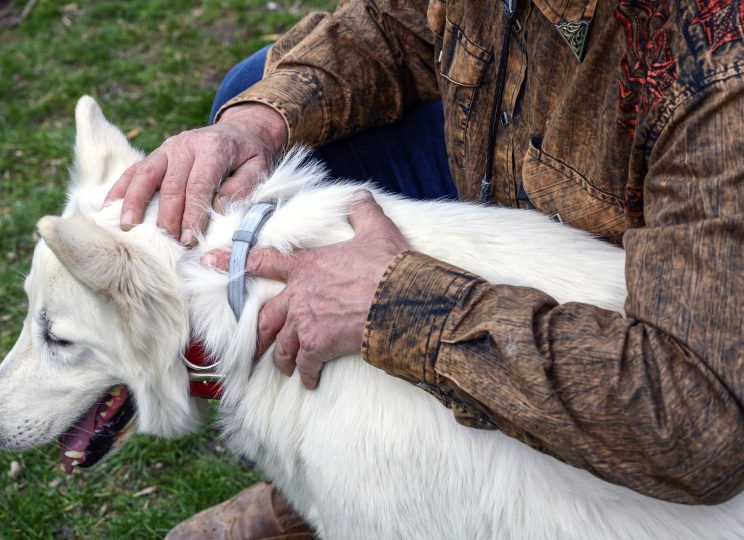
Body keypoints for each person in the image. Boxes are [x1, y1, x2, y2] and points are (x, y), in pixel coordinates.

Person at [104, 2, 744, 538]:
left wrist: (402, 305)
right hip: (511, 179)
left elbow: (697, 424)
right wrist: (258, 121)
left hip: (660, 298)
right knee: (256, 115)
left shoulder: (715, 74)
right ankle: (325, 483)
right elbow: (396, 24)